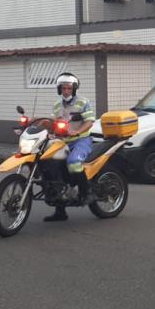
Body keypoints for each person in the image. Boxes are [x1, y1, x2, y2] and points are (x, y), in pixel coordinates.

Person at [44, 72, 96, 222]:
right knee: (51, 167)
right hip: (62, 141)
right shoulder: (56, 105)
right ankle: (60, 211)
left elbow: (90, 121)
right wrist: (46, 128)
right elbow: (54, 123)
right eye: (63, 88)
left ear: (74, 89)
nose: (66, 91)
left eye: (69, 88)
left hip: (81, 140)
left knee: (73, 163)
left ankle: (87, 193)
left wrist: (77, 131)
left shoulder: (83, 102)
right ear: (59, 89)